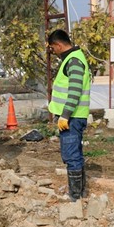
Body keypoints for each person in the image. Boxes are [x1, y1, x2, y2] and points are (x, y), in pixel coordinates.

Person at [47, 29, 91, 202]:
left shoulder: (73, 61)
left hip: (72, 117)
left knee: (71, 155)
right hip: (73, 116)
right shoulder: (73, 58)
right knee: (75, 154)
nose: (53, 52)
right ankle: (80, 193)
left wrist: (65, 115)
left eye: (52, 48)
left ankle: (75, 196)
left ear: (58, 45)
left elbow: (74, 91)